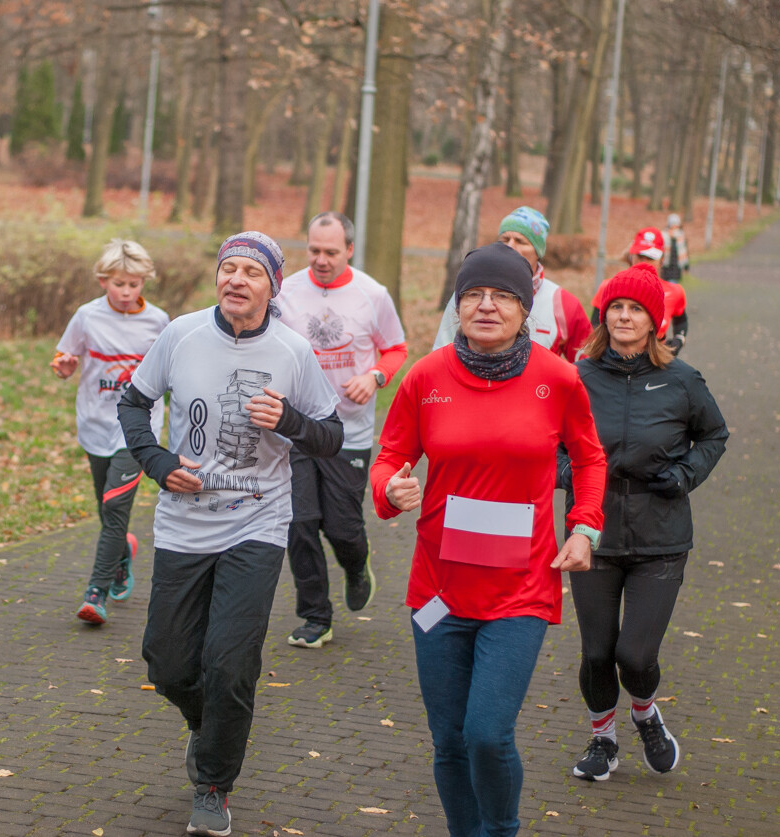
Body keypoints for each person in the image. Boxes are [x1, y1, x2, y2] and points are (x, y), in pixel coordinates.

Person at [369, 242, 607, 837]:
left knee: (486, 733)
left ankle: (500, 830)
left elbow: (590, 457)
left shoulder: (558, 379)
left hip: (519, 590)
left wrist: (584, 527)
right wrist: (388, 490)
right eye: (473, 294)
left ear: (527, 308)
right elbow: (392, 456)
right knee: (449, 740)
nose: (486, 306)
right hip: (438, 592)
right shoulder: (425, 376)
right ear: (458, 304)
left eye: (503, 295)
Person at [117, 232, 342, 836]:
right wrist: (159, 465)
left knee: (231, 662)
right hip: (184, 526)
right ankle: (207, 723)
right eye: (229, 269)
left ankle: (214, 783)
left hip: (258, 522)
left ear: (273, 287)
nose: (237, 280)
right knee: (165, 663)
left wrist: (289, 421)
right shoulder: (181, 334)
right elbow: (132, 404)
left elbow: (331, 436)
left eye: (252, 273)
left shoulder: (293, 351)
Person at [564, 264, 727, 782]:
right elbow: (548, 443)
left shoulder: (682, 380)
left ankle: (645, 713)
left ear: (654, 320)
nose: (624, 317)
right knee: (595, 652)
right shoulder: (578, 376)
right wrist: (570, 473)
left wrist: (684, 475)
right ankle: (603, 739)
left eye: (635, 308)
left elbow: (714, 436)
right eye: (616, 307)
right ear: (603, 314)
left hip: (661, 536)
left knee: (633, 655)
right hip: (593, 533)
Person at [275, 212, 407, 648]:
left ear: (349, 249)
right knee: (299, 523)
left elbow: (395, 349)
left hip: (348, 430)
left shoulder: (372, 294)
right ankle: (315, 616)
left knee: (342, 527)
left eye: (330, 252)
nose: (321, 260)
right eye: (313, 250)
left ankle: (356, 562)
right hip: (296, 428)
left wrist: (375, 377)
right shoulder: (286, 291)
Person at [51, 239, 168, 626]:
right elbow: (64, 355)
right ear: (104, 281)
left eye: (134, 284)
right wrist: (64, 366)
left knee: (116, 505)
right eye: (119, 283)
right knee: (107, 506)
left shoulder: (159, 321)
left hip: (137, 428)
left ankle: (95, 594)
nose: (126, 292)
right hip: (95, 423)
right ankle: (123, 553)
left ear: (144, 283)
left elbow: (172, 371)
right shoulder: (87, 316)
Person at [433, 206, 591, 362]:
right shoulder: (469, 293)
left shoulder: (563, 303)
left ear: (538, 252)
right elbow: (441, 352)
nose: (510, 246)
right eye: (505, 239)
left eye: (521, 241)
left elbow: (588, 364)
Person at [592, 227, 688, 355]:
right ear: (631, 256)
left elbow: (681, 321)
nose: (644, 262)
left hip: (656, 364)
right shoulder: (608, 288)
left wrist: (678, 341)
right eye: (640, 256)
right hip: (615, 364)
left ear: (662, 260)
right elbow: (594, 326)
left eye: (650, 257)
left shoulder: (675, 292)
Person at [660, 213, 689, 283]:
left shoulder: (681, 236)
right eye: (673, 224)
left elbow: (684, 251)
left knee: (673, 285)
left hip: (676, 267)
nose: (674, 227)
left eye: (676, 224)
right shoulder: (664, 235)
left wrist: (686, 265)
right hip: (666, 267)